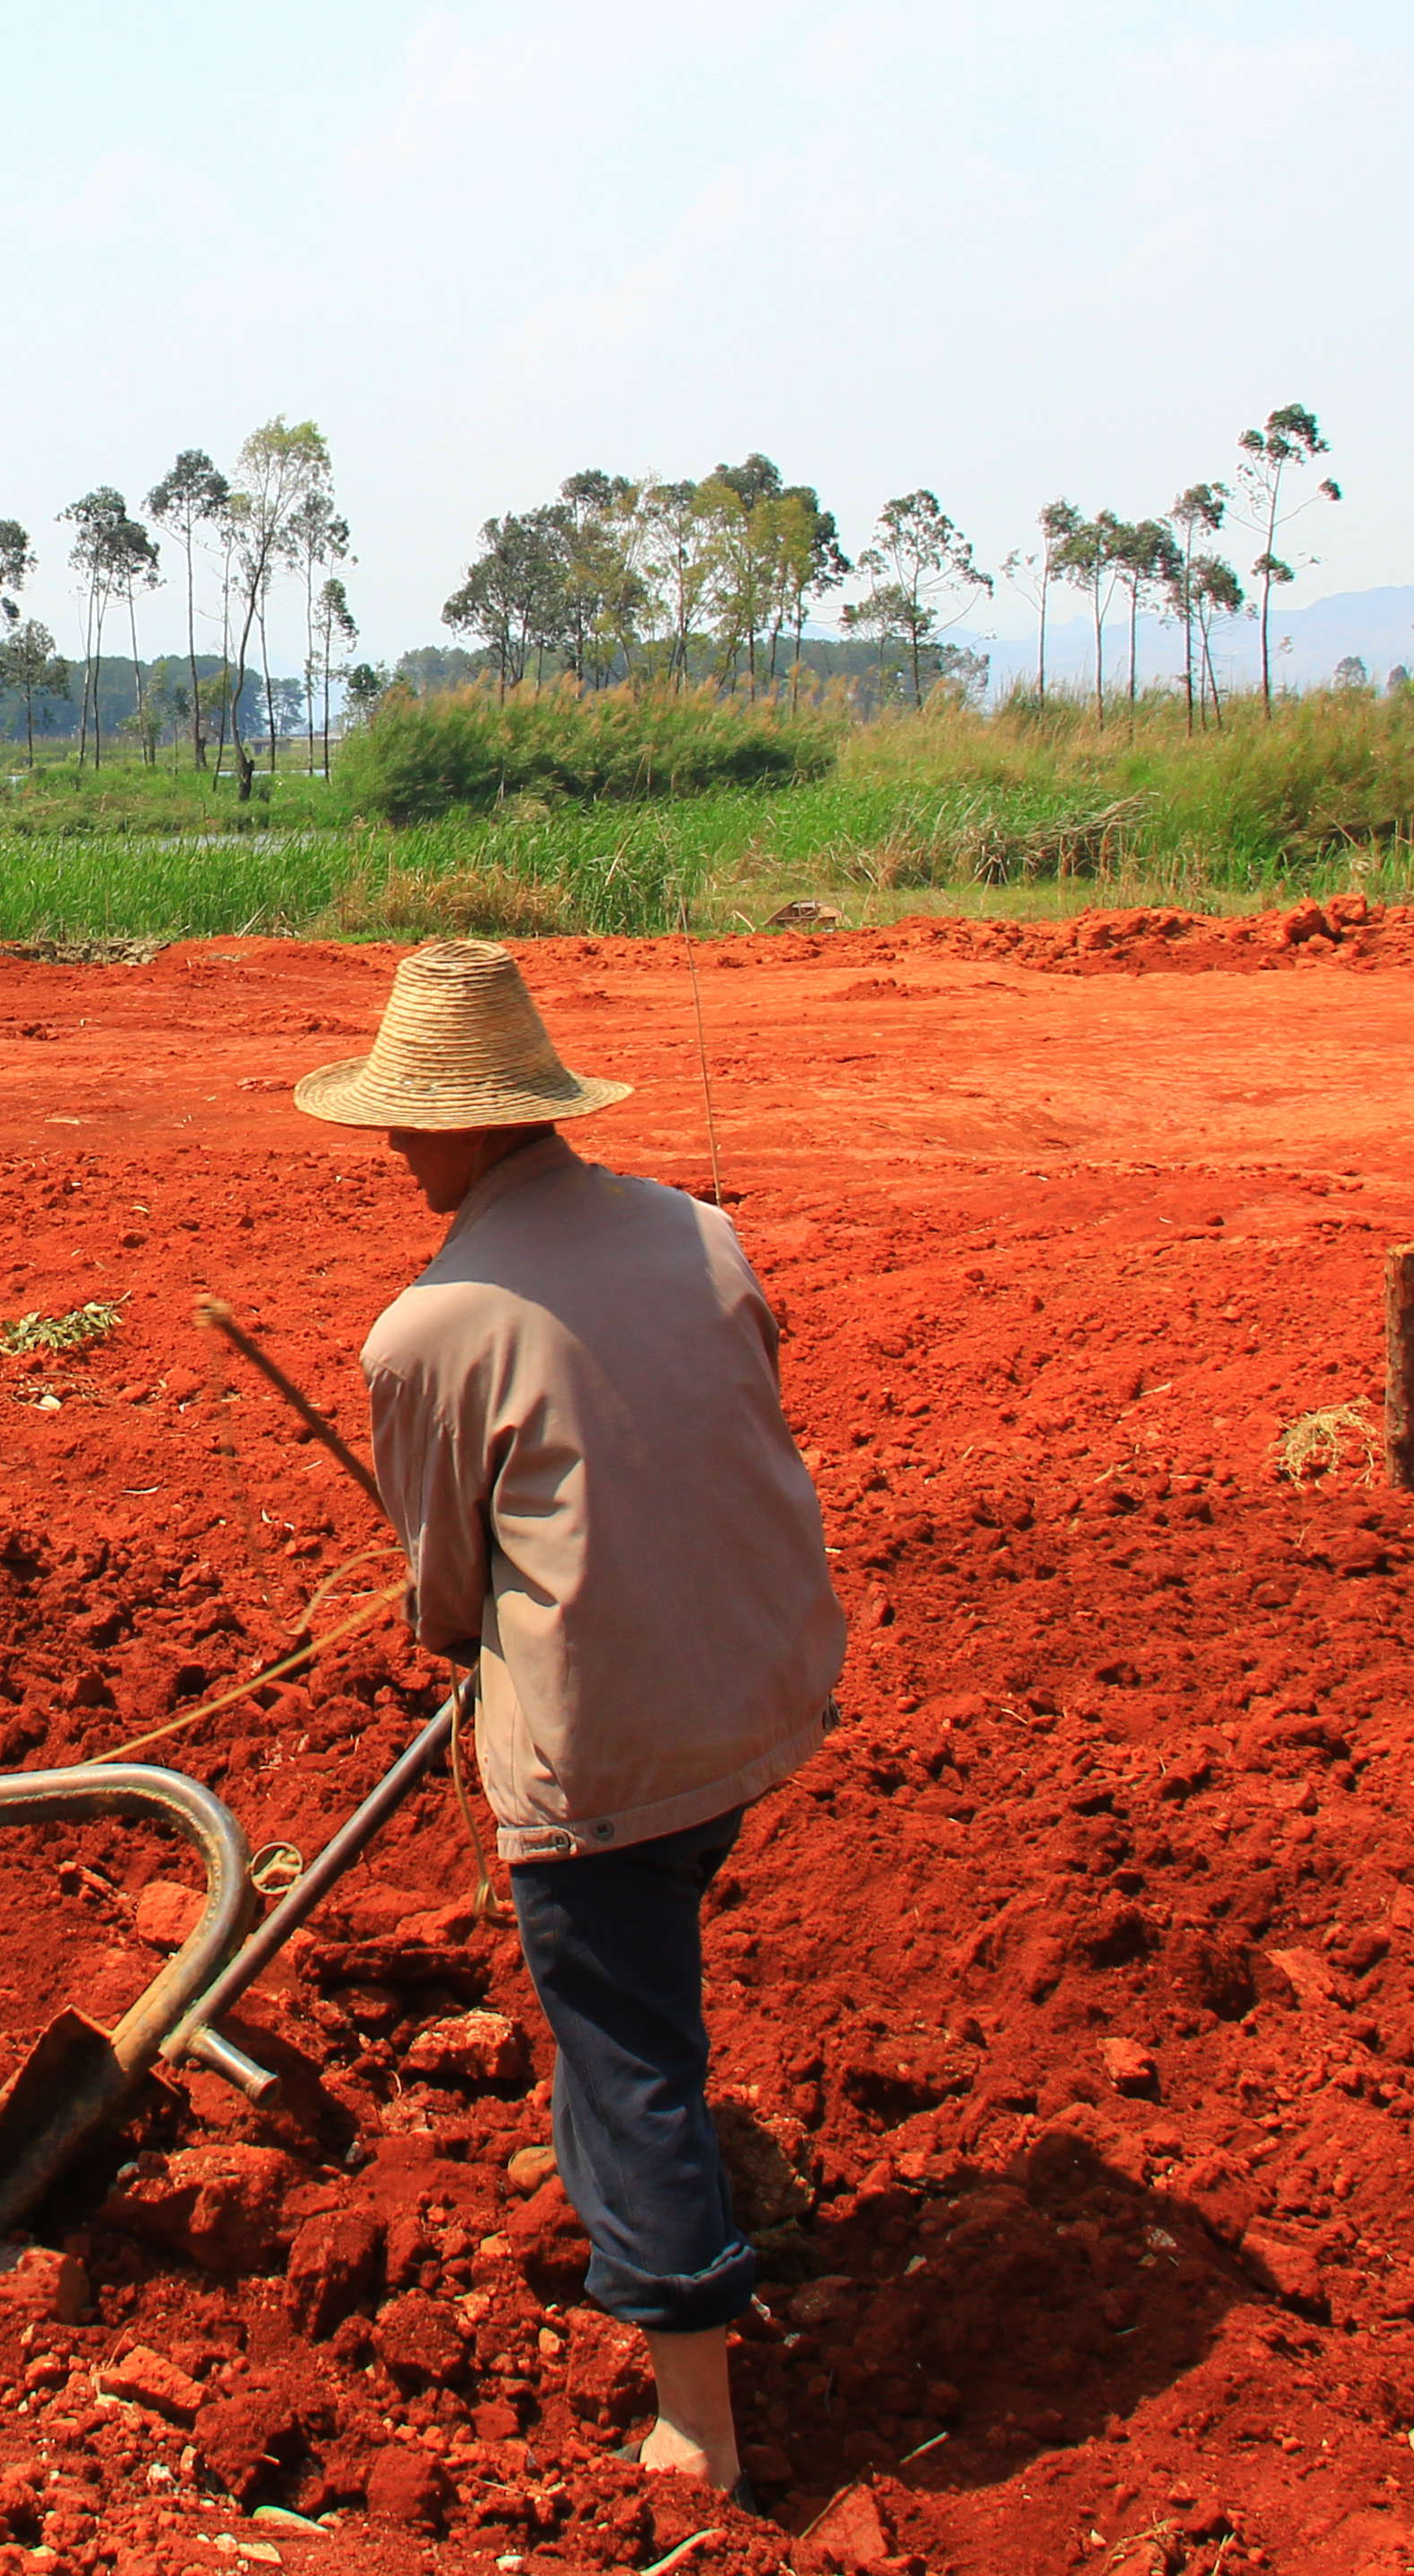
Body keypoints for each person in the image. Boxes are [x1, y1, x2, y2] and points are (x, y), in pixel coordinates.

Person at [292, 938, 846, 2495]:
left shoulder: (429, 1330)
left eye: (405, 1122)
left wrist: (464, 1637)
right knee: (643, 1970)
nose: (393, 1149)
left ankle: (698, 2420)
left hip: (614, 1760)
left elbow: (447, 1595)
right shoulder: (702, 1233)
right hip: (769, 1676)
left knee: (625, 2051)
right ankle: (638, 2169)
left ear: (471, 1125)